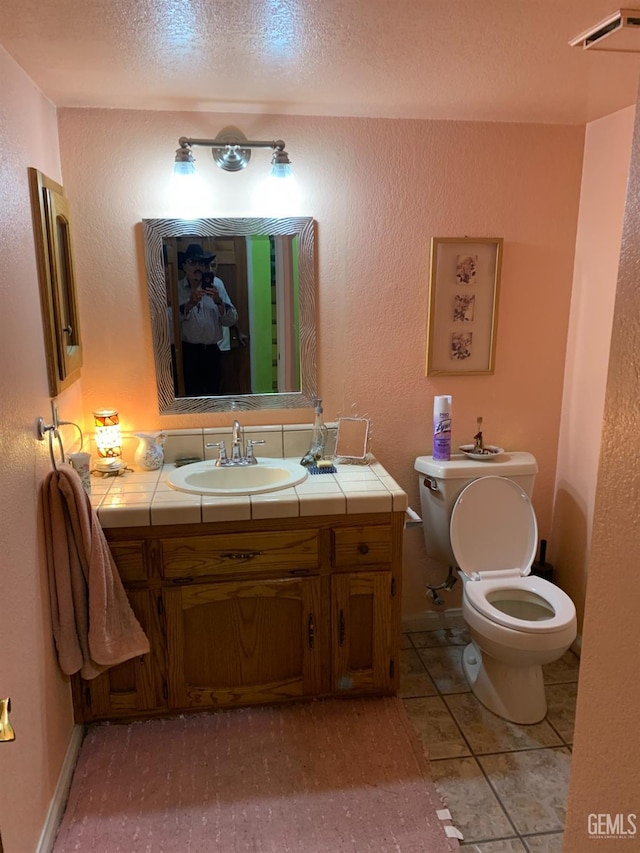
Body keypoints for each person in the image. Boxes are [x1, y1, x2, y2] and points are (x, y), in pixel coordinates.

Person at [177, 243, 238, 396]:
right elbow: (168, 322)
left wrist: (218, 301)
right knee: (192, 399)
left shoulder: (217, 285)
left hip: (212, 353)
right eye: (192, 262)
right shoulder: (176, 288)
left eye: (202, 263)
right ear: (184, 266)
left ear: (206, 267)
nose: (198, 267)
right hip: (188, 354)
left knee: (214, 398)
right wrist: (189, 304)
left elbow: (232, 319)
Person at [206, 256, 249, 393]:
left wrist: (239, 331)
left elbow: (230, 310)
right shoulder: (189, 287)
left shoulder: (218, 284)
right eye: (208, 266)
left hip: (221, 342)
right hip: (197, 345)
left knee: (220, 381)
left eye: (214, 265)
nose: (211, 269)